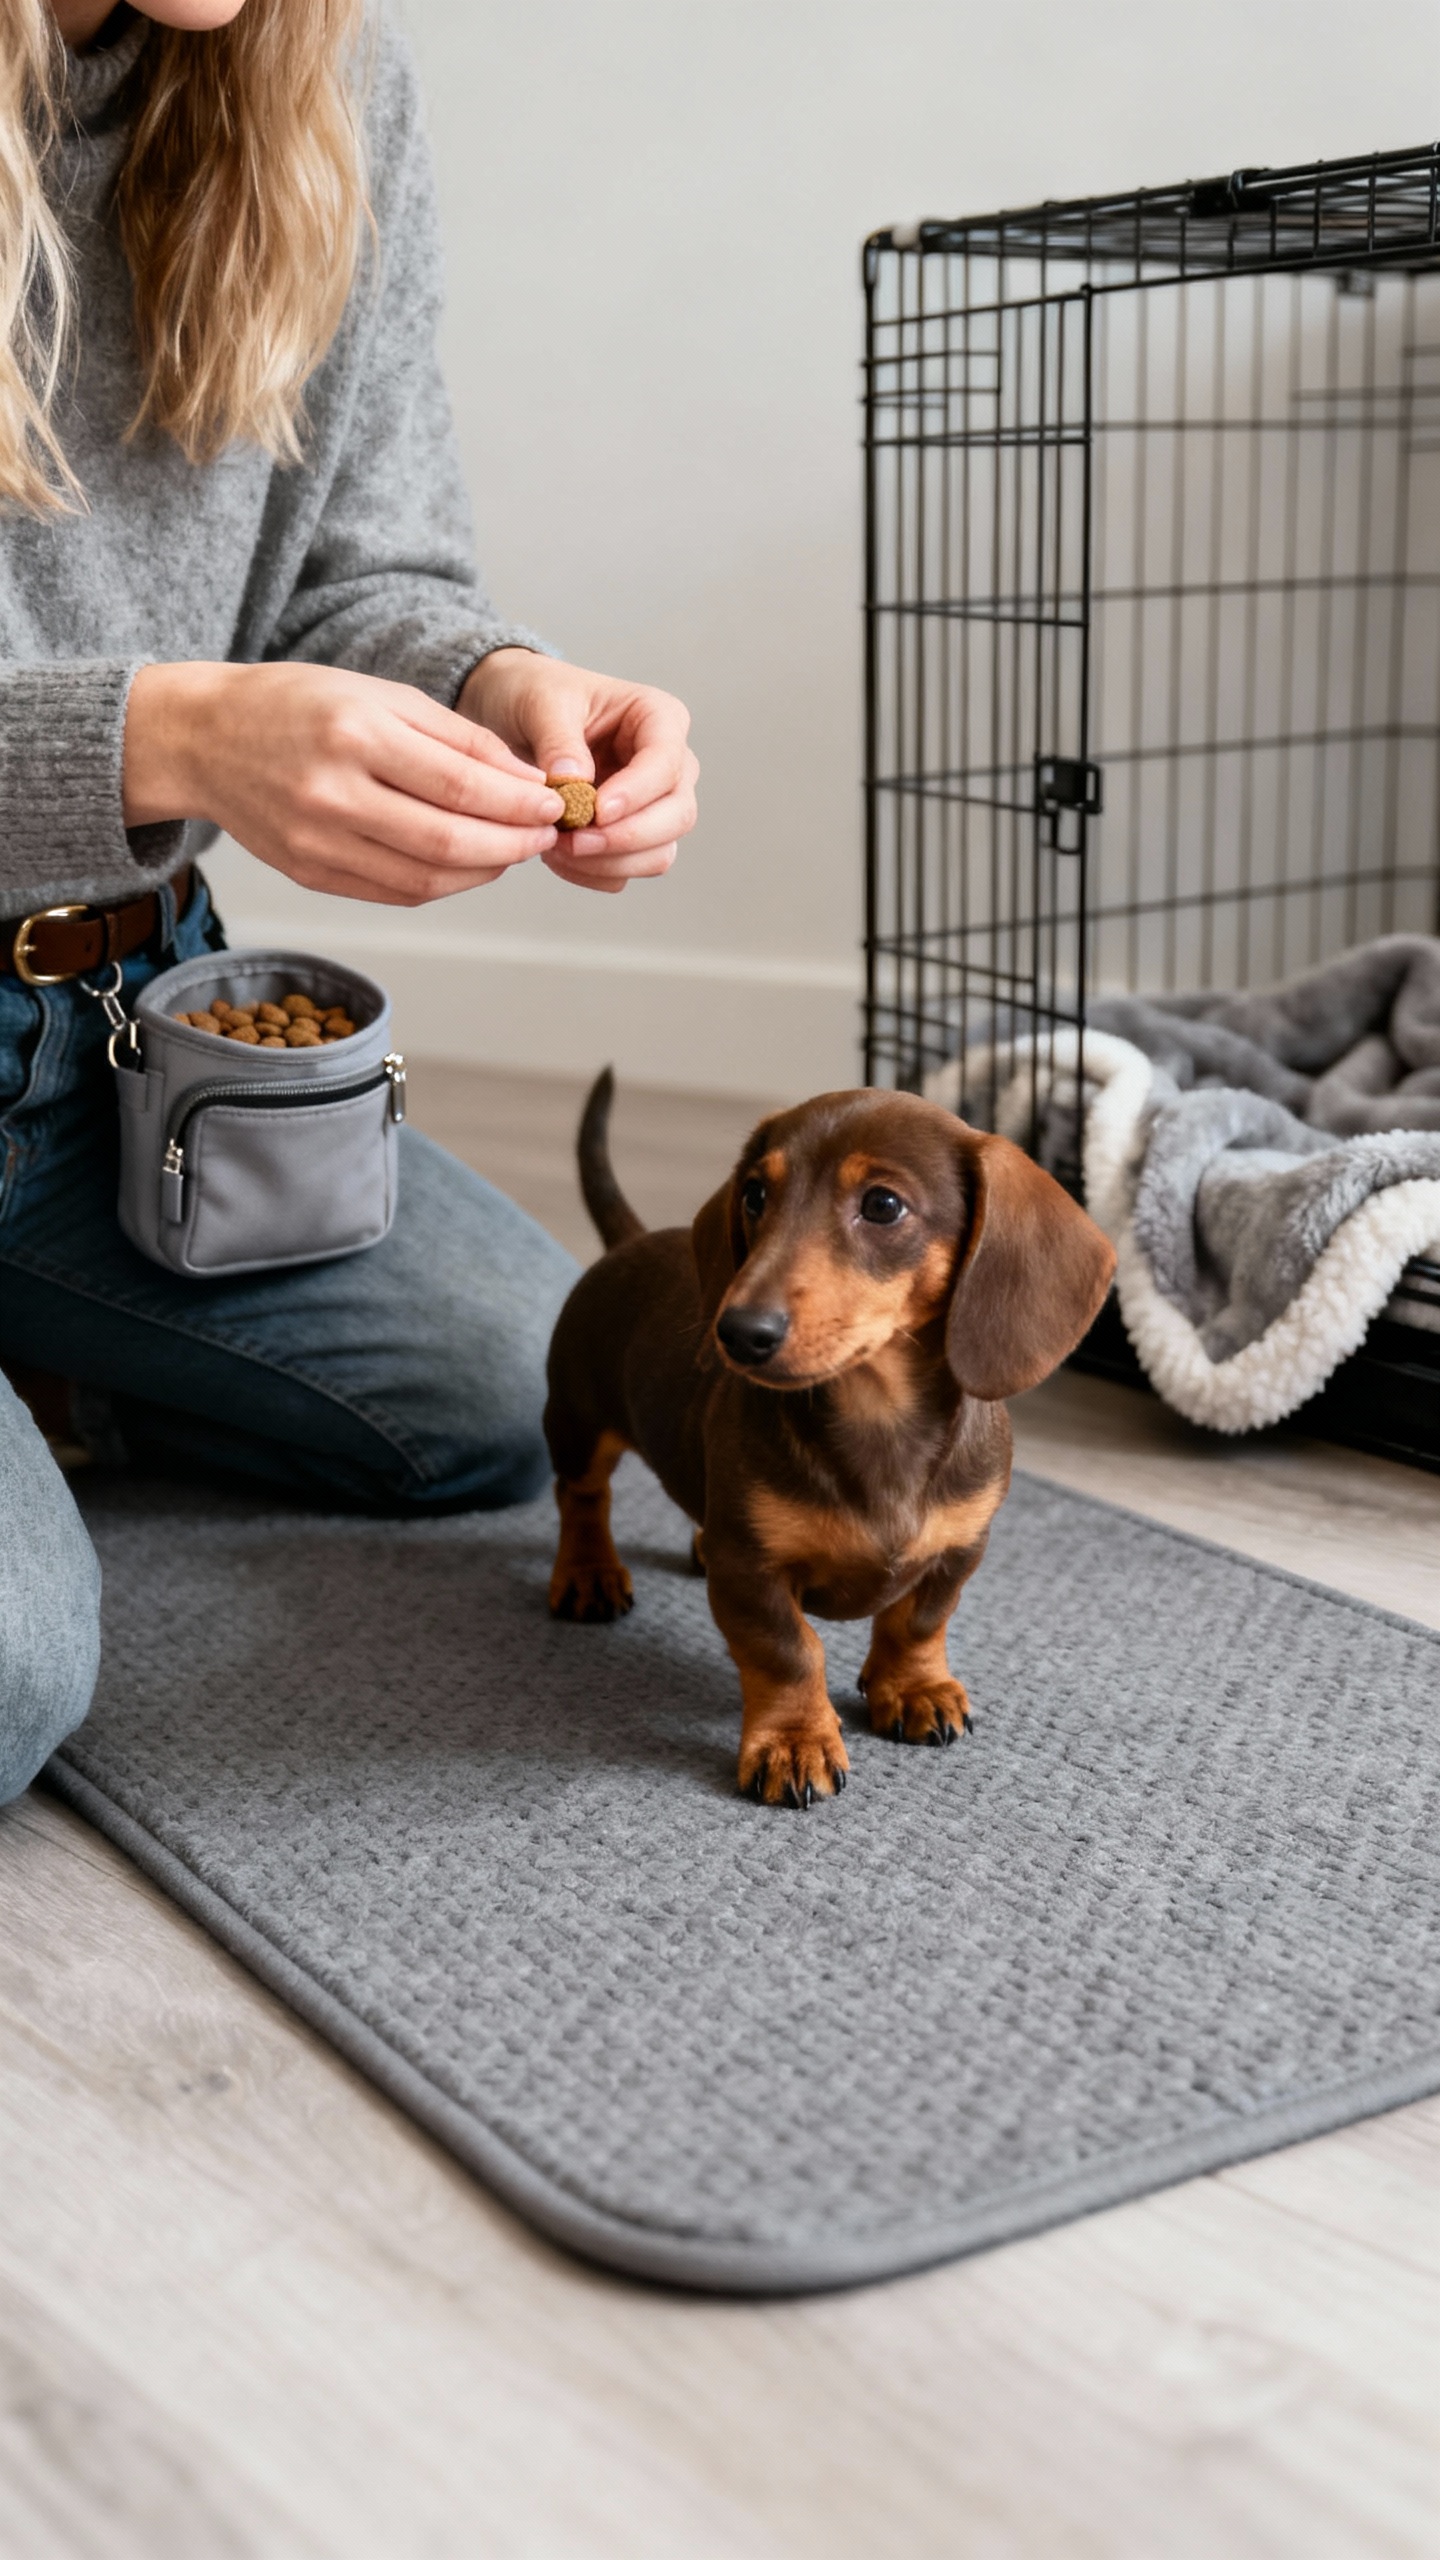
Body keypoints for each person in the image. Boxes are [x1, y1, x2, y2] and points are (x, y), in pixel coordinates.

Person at [0, 0, 699, 1803]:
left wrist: (494, 683)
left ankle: (59, 1343)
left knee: (514, 1393)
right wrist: (161, 733)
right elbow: (181, 722)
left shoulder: (327, 80)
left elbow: (368, 569)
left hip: (122, 1043)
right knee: (10, 1667)